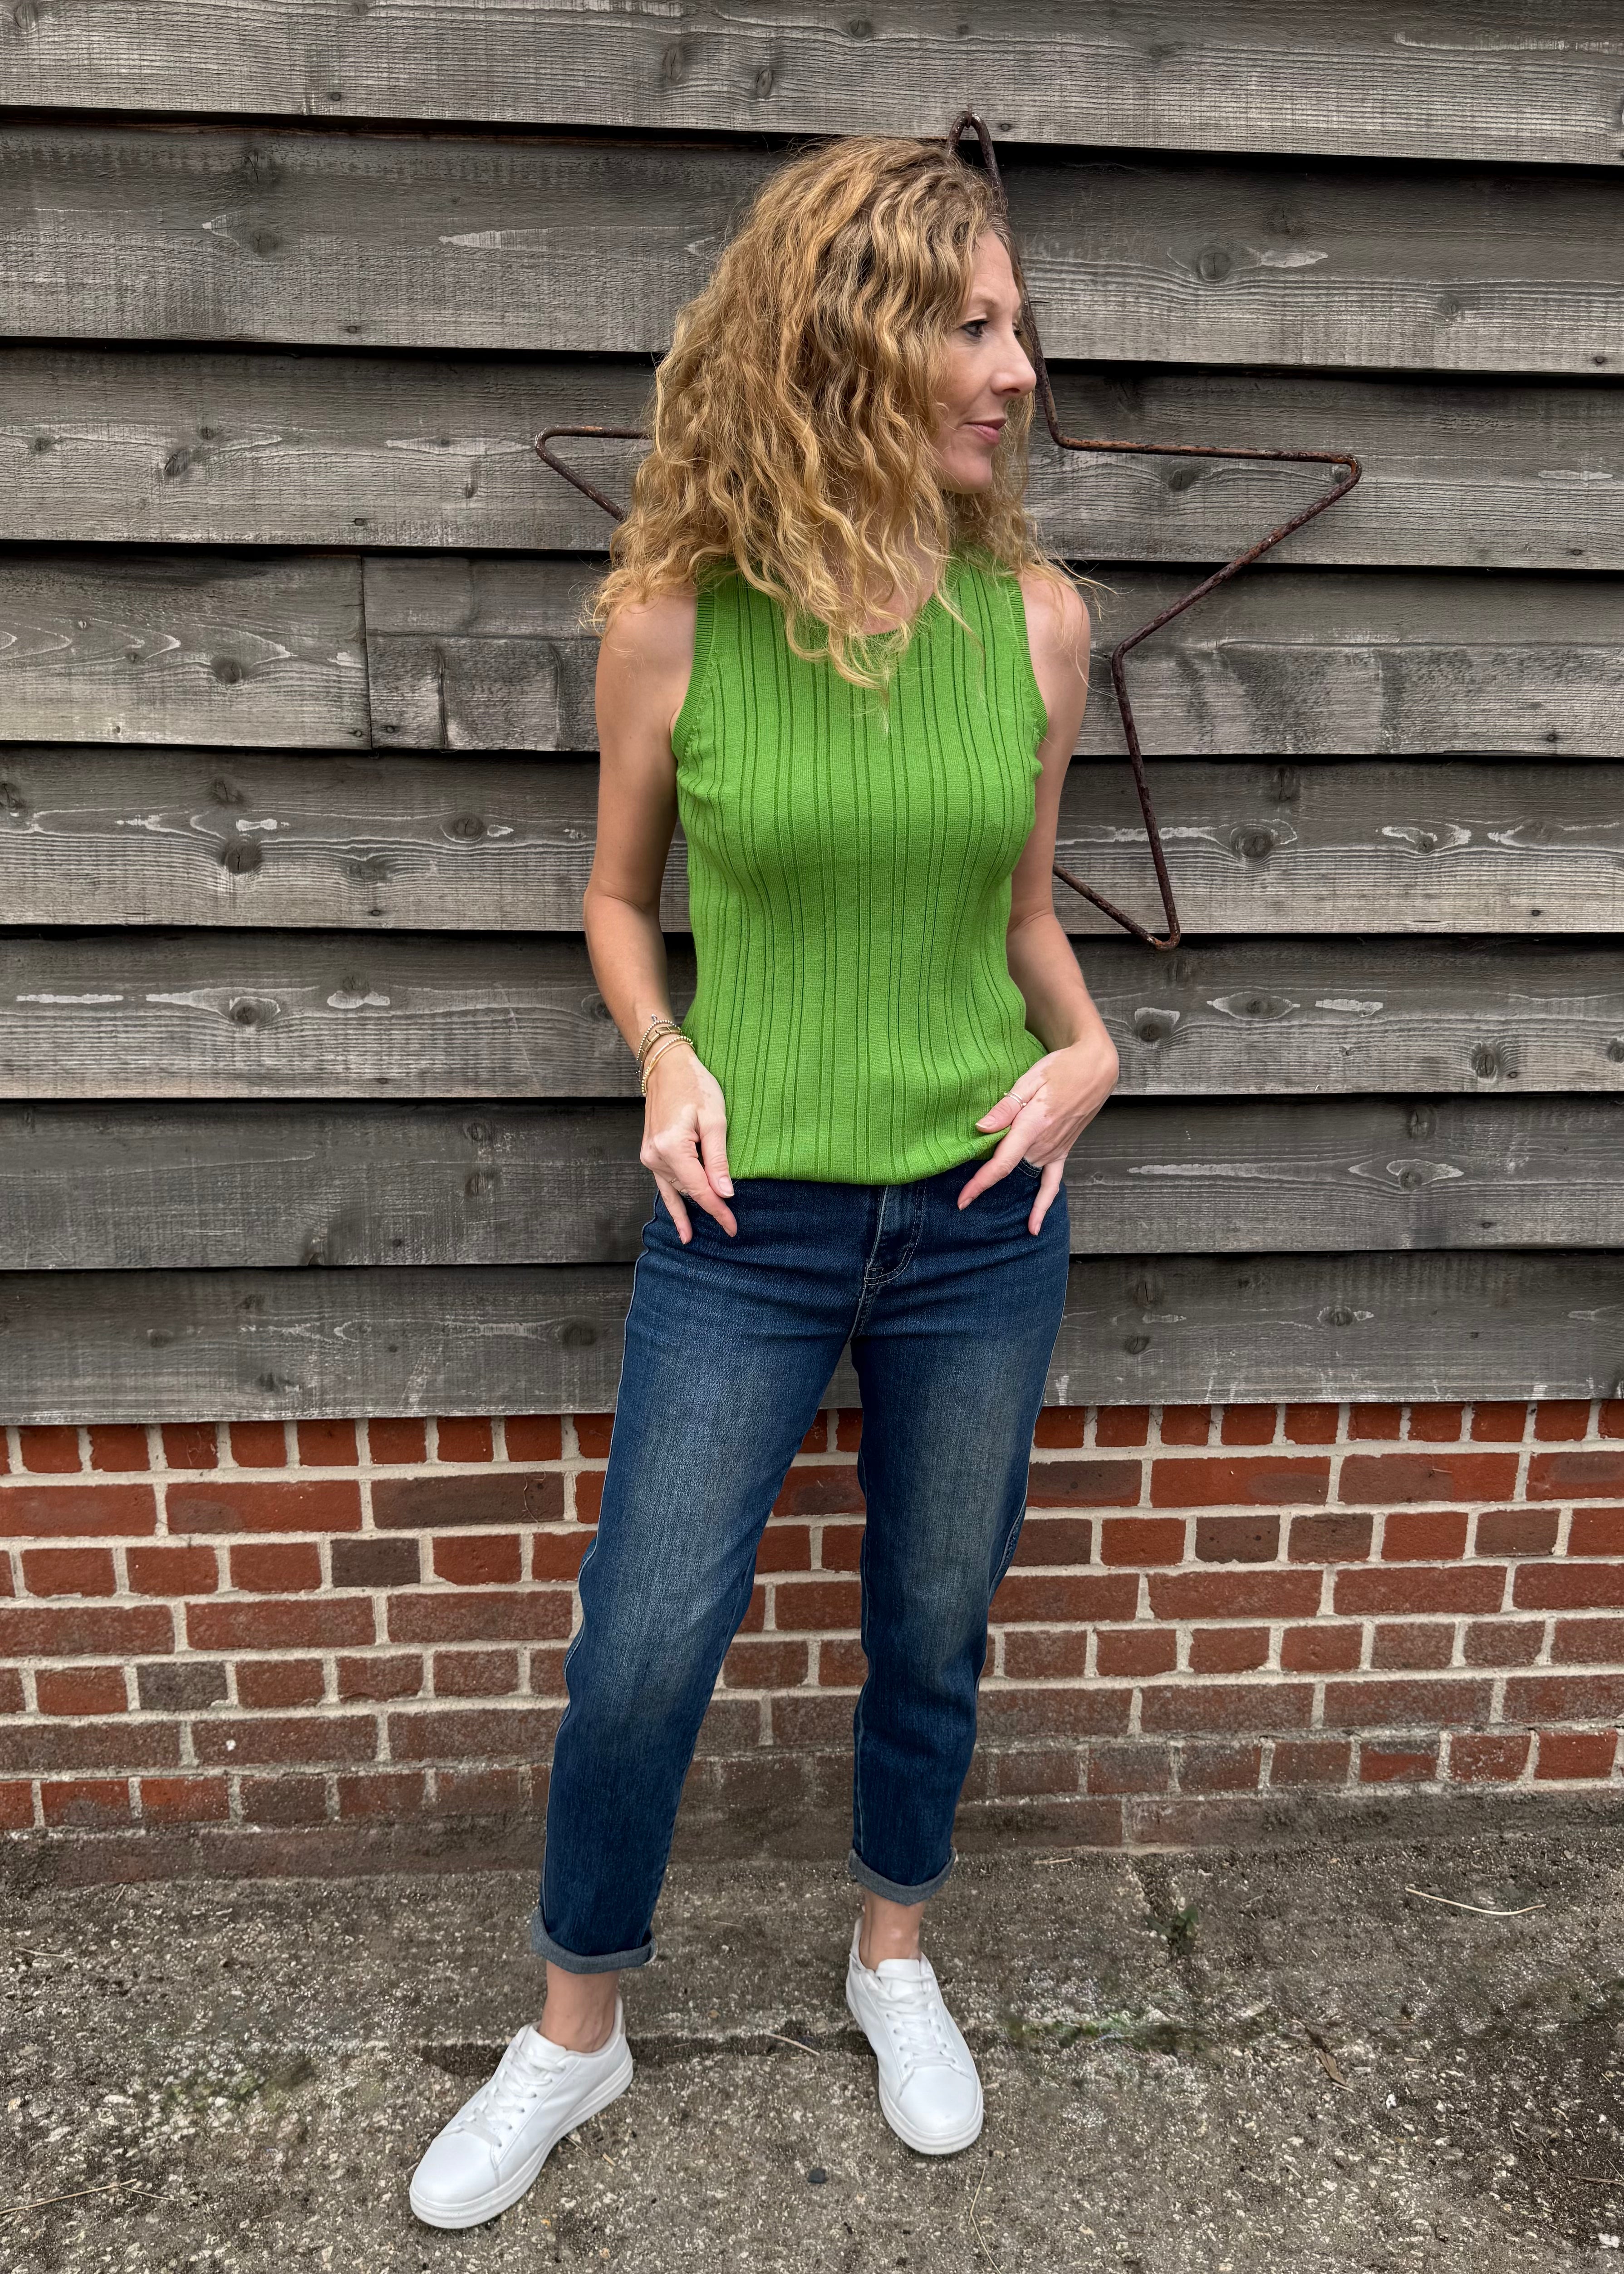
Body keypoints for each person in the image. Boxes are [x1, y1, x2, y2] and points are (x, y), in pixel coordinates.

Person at [408, 130, 1119, 2232]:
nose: (1017, 367)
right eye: (971, 324)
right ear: (850, 343)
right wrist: (662, 1052)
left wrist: (1089, 1049)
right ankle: (575, 2028)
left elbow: (1020, 920)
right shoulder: (672, 625)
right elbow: (620, 903)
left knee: (931, 1611)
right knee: (640, 1637)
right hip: (747, 1224)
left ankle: (891, 1950)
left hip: (982, 1215)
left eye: (1014, 321)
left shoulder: (1041, 624)